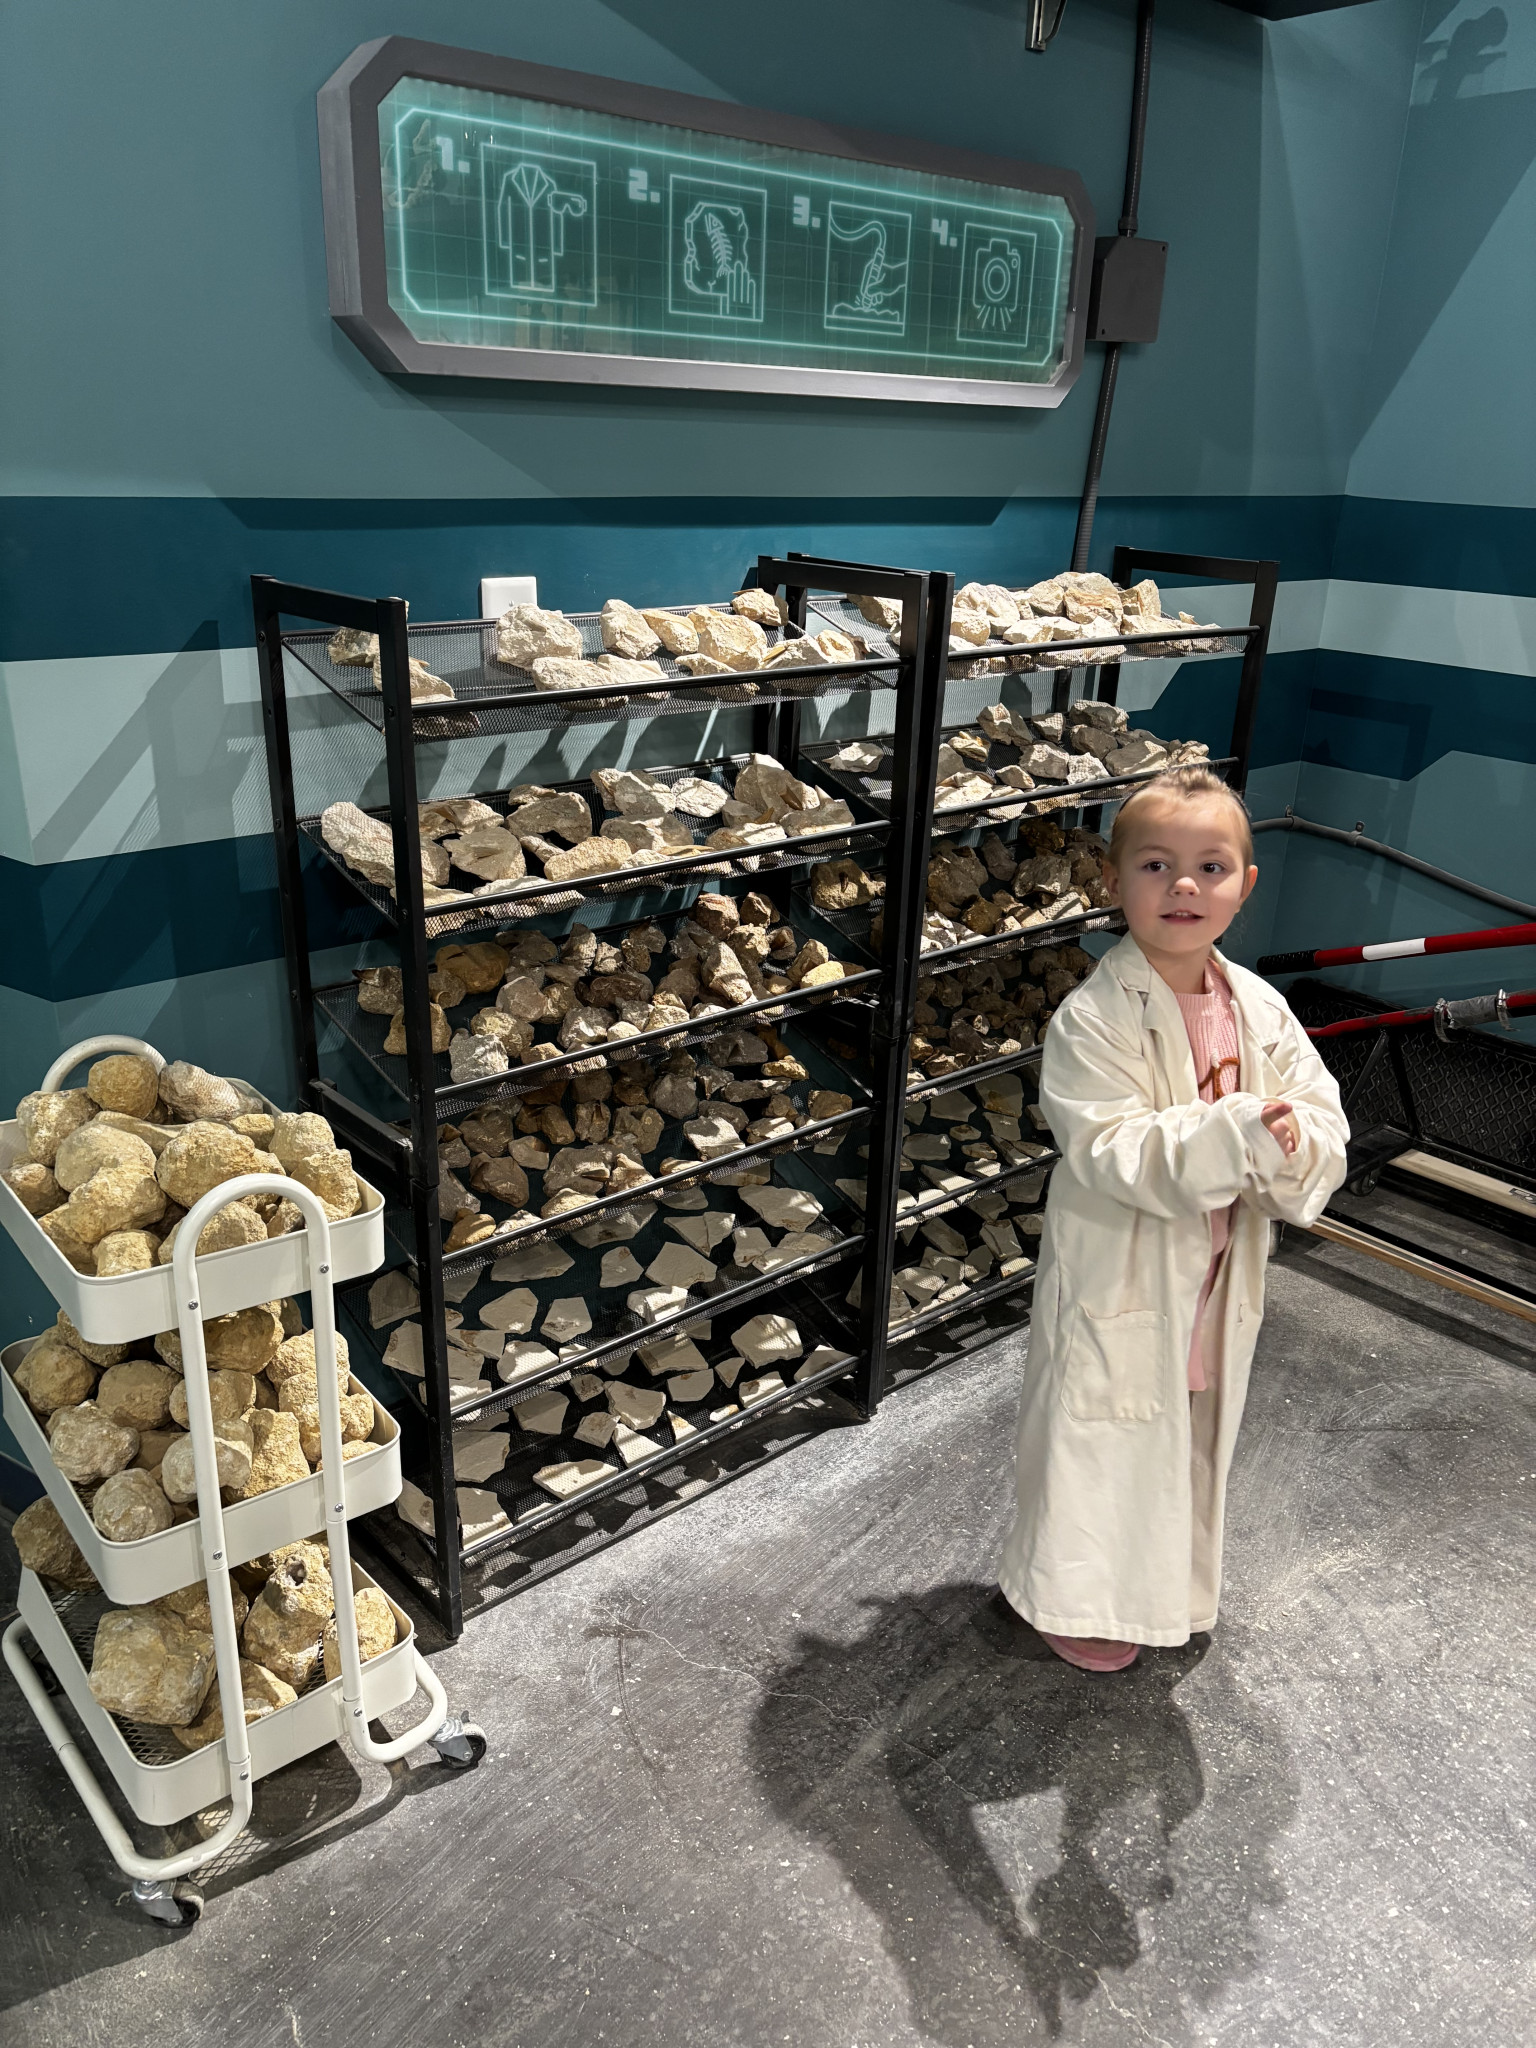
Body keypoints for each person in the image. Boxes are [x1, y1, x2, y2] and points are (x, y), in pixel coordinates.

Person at [997, 764, 1349, 1671]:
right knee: (1100, 1440)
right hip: (1125, 1266)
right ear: (1112, 880)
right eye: (1155, 865)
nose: (1183, 886)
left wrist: (1290, 1144)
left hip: (1218, 1271)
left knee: (1185, 1437)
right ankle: (1070, 1596)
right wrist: (1238, 1132)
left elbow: (1319, 1113)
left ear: (1245, 884)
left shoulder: (1260, 1007)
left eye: (1210, 867)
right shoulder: (1093, 1018)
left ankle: (1169, 1591)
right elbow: (1109, 1145)